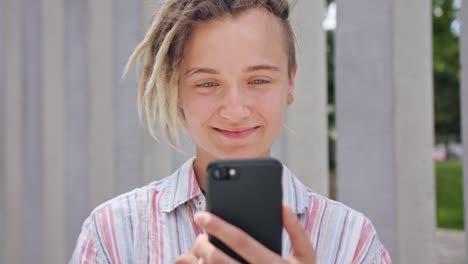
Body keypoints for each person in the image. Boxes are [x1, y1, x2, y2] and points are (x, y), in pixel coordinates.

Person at [71, 0, 391, 263]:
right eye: (207, 83)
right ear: (177, 89)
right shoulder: (111, 234)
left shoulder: (352, 240)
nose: (235, 110)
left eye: (259, 81)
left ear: (290, 83)